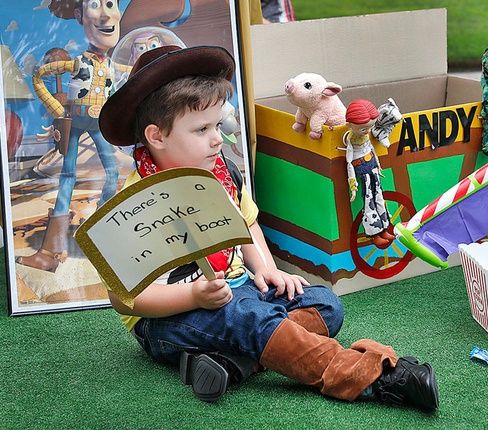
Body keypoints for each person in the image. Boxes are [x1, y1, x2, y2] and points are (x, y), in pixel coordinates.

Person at [97, 45, 439, 409]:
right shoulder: (134, 205)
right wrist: (192, 296)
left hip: (238, 289)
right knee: (249, 316)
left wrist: (267, 269)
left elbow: (248, 224)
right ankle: (369, 376)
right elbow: (124, 299)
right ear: (157, 136)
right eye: (201, 129)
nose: (216, 138)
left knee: (325, 303)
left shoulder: (222, 172)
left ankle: (235, 363)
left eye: (217, 125)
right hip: (169, 319)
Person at [18, 0, 124, 272]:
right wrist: (55, 108)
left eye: (110, 3)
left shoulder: (109, 66)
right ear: (79, 17)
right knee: (68, 174)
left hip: (99, 122)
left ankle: (102, 231)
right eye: (94, 4)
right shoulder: (77, 63)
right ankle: (50, 253)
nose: (105, 14)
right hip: (77, 122)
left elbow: (114, 93)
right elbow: (40, 75)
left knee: (113, 171)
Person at [345, 99, 394, 248]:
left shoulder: (366, 135)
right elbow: (348, 161)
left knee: (379, 196)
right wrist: (352, 182)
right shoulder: (350, 139)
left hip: (372, 167)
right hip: (363, 171)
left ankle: (384, 227)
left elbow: (372, 148)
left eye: (370, 127)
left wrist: (378, 165)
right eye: (363, 129)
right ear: (349, 125)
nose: (367, 131)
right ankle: (374, 233)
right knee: (368, 200)